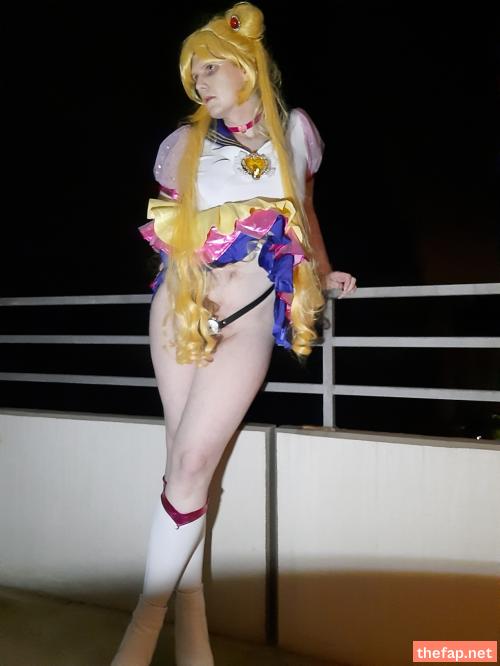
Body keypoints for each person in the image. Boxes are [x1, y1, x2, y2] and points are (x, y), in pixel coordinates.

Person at [111, 3, 357, 665]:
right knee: (186, 464)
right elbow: (170, 227)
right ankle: (192, 631)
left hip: (251, 299)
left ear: (246, 67)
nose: (199, 82)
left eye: (210, 68)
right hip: (181, 300)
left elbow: (304, 211)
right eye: (193, 73)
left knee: (193, 463)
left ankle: (143, 626)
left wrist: (323, 272)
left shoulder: (295, 132)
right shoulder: (182, 144)